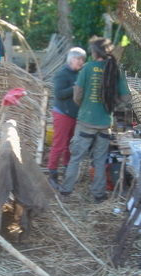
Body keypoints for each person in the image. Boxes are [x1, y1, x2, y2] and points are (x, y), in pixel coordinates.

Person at [59, 37, 131, 202]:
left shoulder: (87, 68)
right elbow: (126, 97)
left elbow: (77, 95)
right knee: (99, 160)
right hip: (105, 123)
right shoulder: (115, 69)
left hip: (86, 122)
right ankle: (98, 195)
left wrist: (85, 104)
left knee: (76, 158)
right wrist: (111, 105)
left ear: (95, 52)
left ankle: (66, 192)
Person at [47, 47, 87, 187]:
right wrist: (75, 88)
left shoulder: (79, 73)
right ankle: (52, 174)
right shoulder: (62, 74)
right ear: (71, 59)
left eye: (83, 59)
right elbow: (59, 94)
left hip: (74, 115)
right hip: (63, 114)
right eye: (79, 59)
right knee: (59, 145)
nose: (81, 62)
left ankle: (67, 170)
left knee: (69, 145)